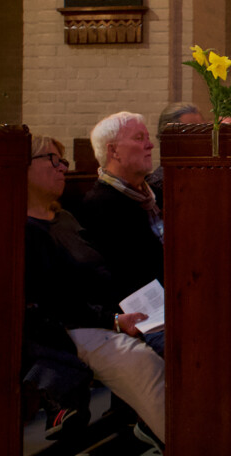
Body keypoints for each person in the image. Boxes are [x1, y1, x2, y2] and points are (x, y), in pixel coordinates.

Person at [26, 135, 165, 443]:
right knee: (147, 366)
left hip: (107, 315)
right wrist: (114, 320)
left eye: (63, 161)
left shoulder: (64, 217)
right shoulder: (22, 229)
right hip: (69, 329)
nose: (62, 168)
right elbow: (55, 302)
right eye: (53, 160)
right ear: (22, 167)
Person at [77, 111, 165, 357]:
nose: (150, 144)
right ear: (113, 151)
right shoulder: (100, 205)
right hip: (143, 320)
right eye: (139, 138)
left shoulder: (152, 195)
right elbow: (126, 277)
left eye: (147, 137)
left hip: (169, 306)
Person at [146, 102, 206, 207]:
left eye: (203, 131)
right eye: (193, 132)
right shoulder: (159, 184)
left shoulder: (206, 174)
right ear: (169, 138)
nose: (202, 139)